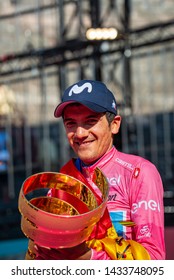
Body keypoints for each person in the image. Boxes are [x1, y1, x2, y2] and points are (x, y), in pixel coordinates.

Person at [35, 79, 165, 260]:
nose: (80, 133)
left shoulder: (138, 173)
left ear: (115, 124)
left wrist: (88, 257)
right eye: (71, 123)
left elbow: (153, 261)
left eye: (90, 121)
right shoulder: (60, 183)